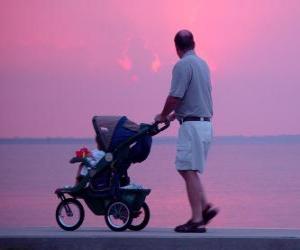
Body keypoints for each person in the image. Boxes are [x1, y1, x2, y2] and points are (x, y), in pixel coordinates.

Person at [154, 29, 218, 233]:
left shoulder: (182, 65)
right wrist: (176, 115)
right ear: (194, 44)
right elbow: (194, 96)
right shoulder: (203, 64)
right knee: (188, 169)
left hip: (192, 127)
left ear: (177, 48)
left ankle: (197, 219)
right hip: (204, 123)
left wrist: (163, 115)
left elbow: (175, 96)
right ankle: (205, 206)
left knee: (187, 169)